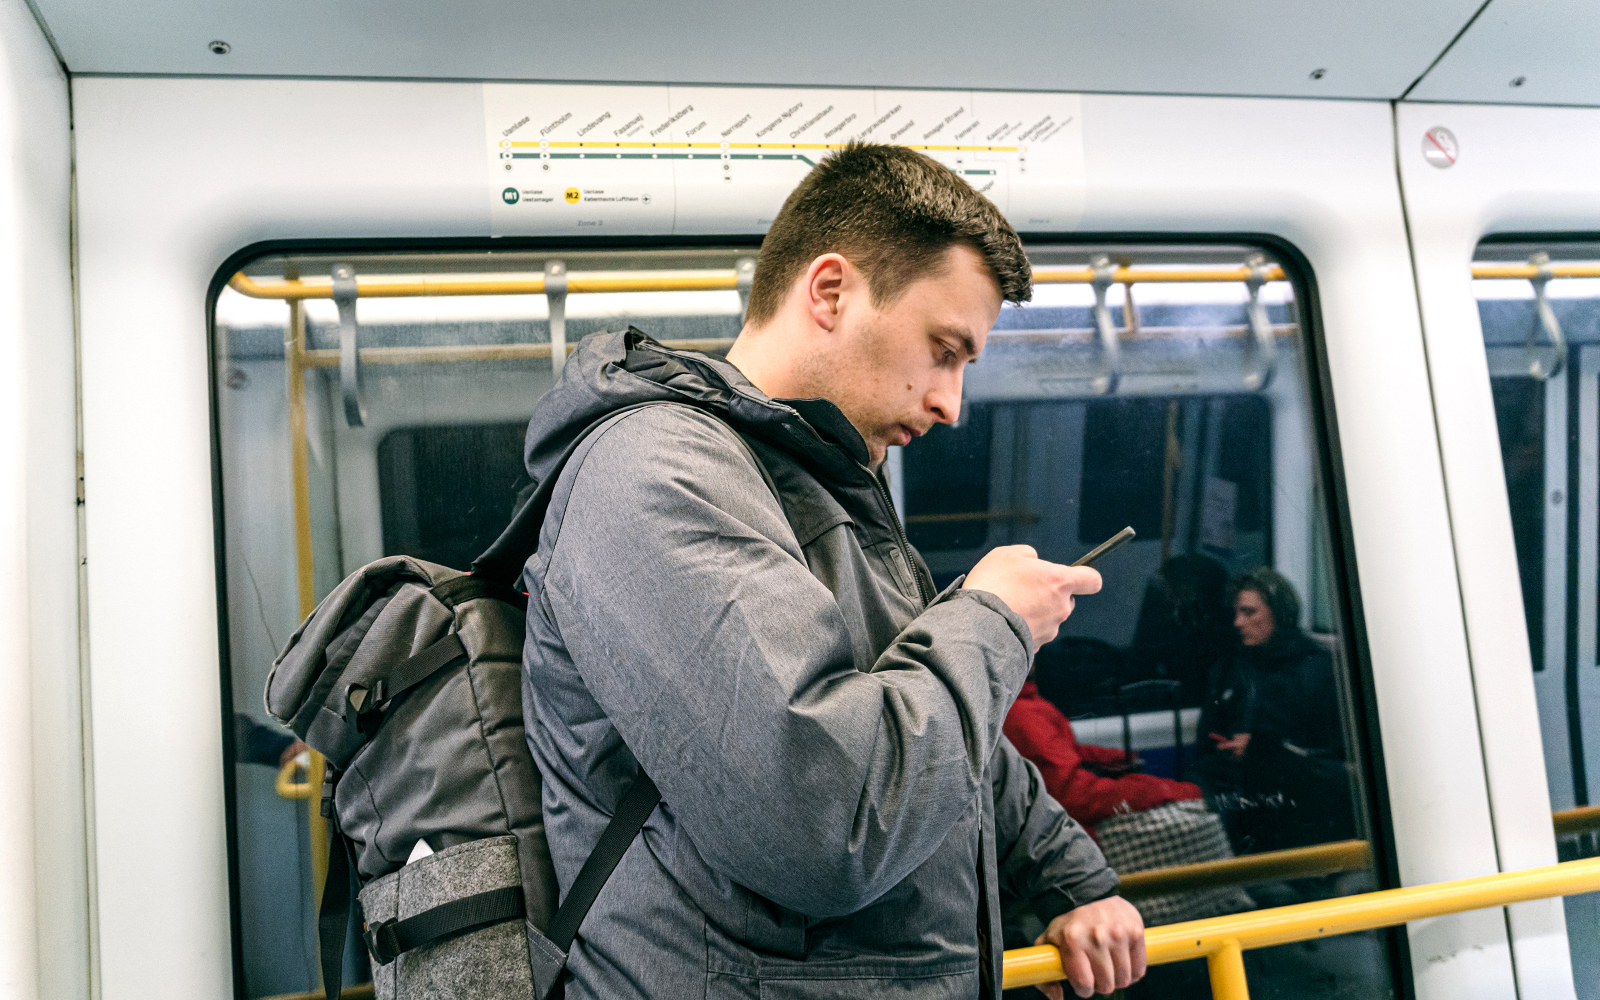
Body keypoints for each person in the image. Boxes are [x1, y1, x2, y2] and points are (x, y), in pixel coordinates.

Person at [517, 143, 1144, 1000]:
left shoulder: (825, 489)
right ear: (830, 292)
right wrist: (991, 620)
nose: (952, 405)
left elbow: (939, 746)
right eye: (944, 349)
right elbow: (831, 822)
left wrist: (1068, 880)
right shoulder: (654, 476)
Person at [1195, 568, 1353, 855]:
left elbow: (1333, 759)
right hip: (1239, 794)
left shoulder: (1316, 671)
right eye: (1236, 612)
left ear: (1279, 614)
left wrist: (1260, 750)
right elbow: (1205, 743)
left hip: (1298, 804)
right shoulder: (1229, 670)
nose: (1238, 622)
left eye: (1249, 612)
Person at [1004, 677, 1202, 837]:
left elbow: (1061, 750)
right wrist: (1164, 791)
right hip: (1074, 848)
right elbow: (1076, 796)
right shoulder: (1021, 713)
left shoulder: (1025, 702)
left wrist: (1110, 758)